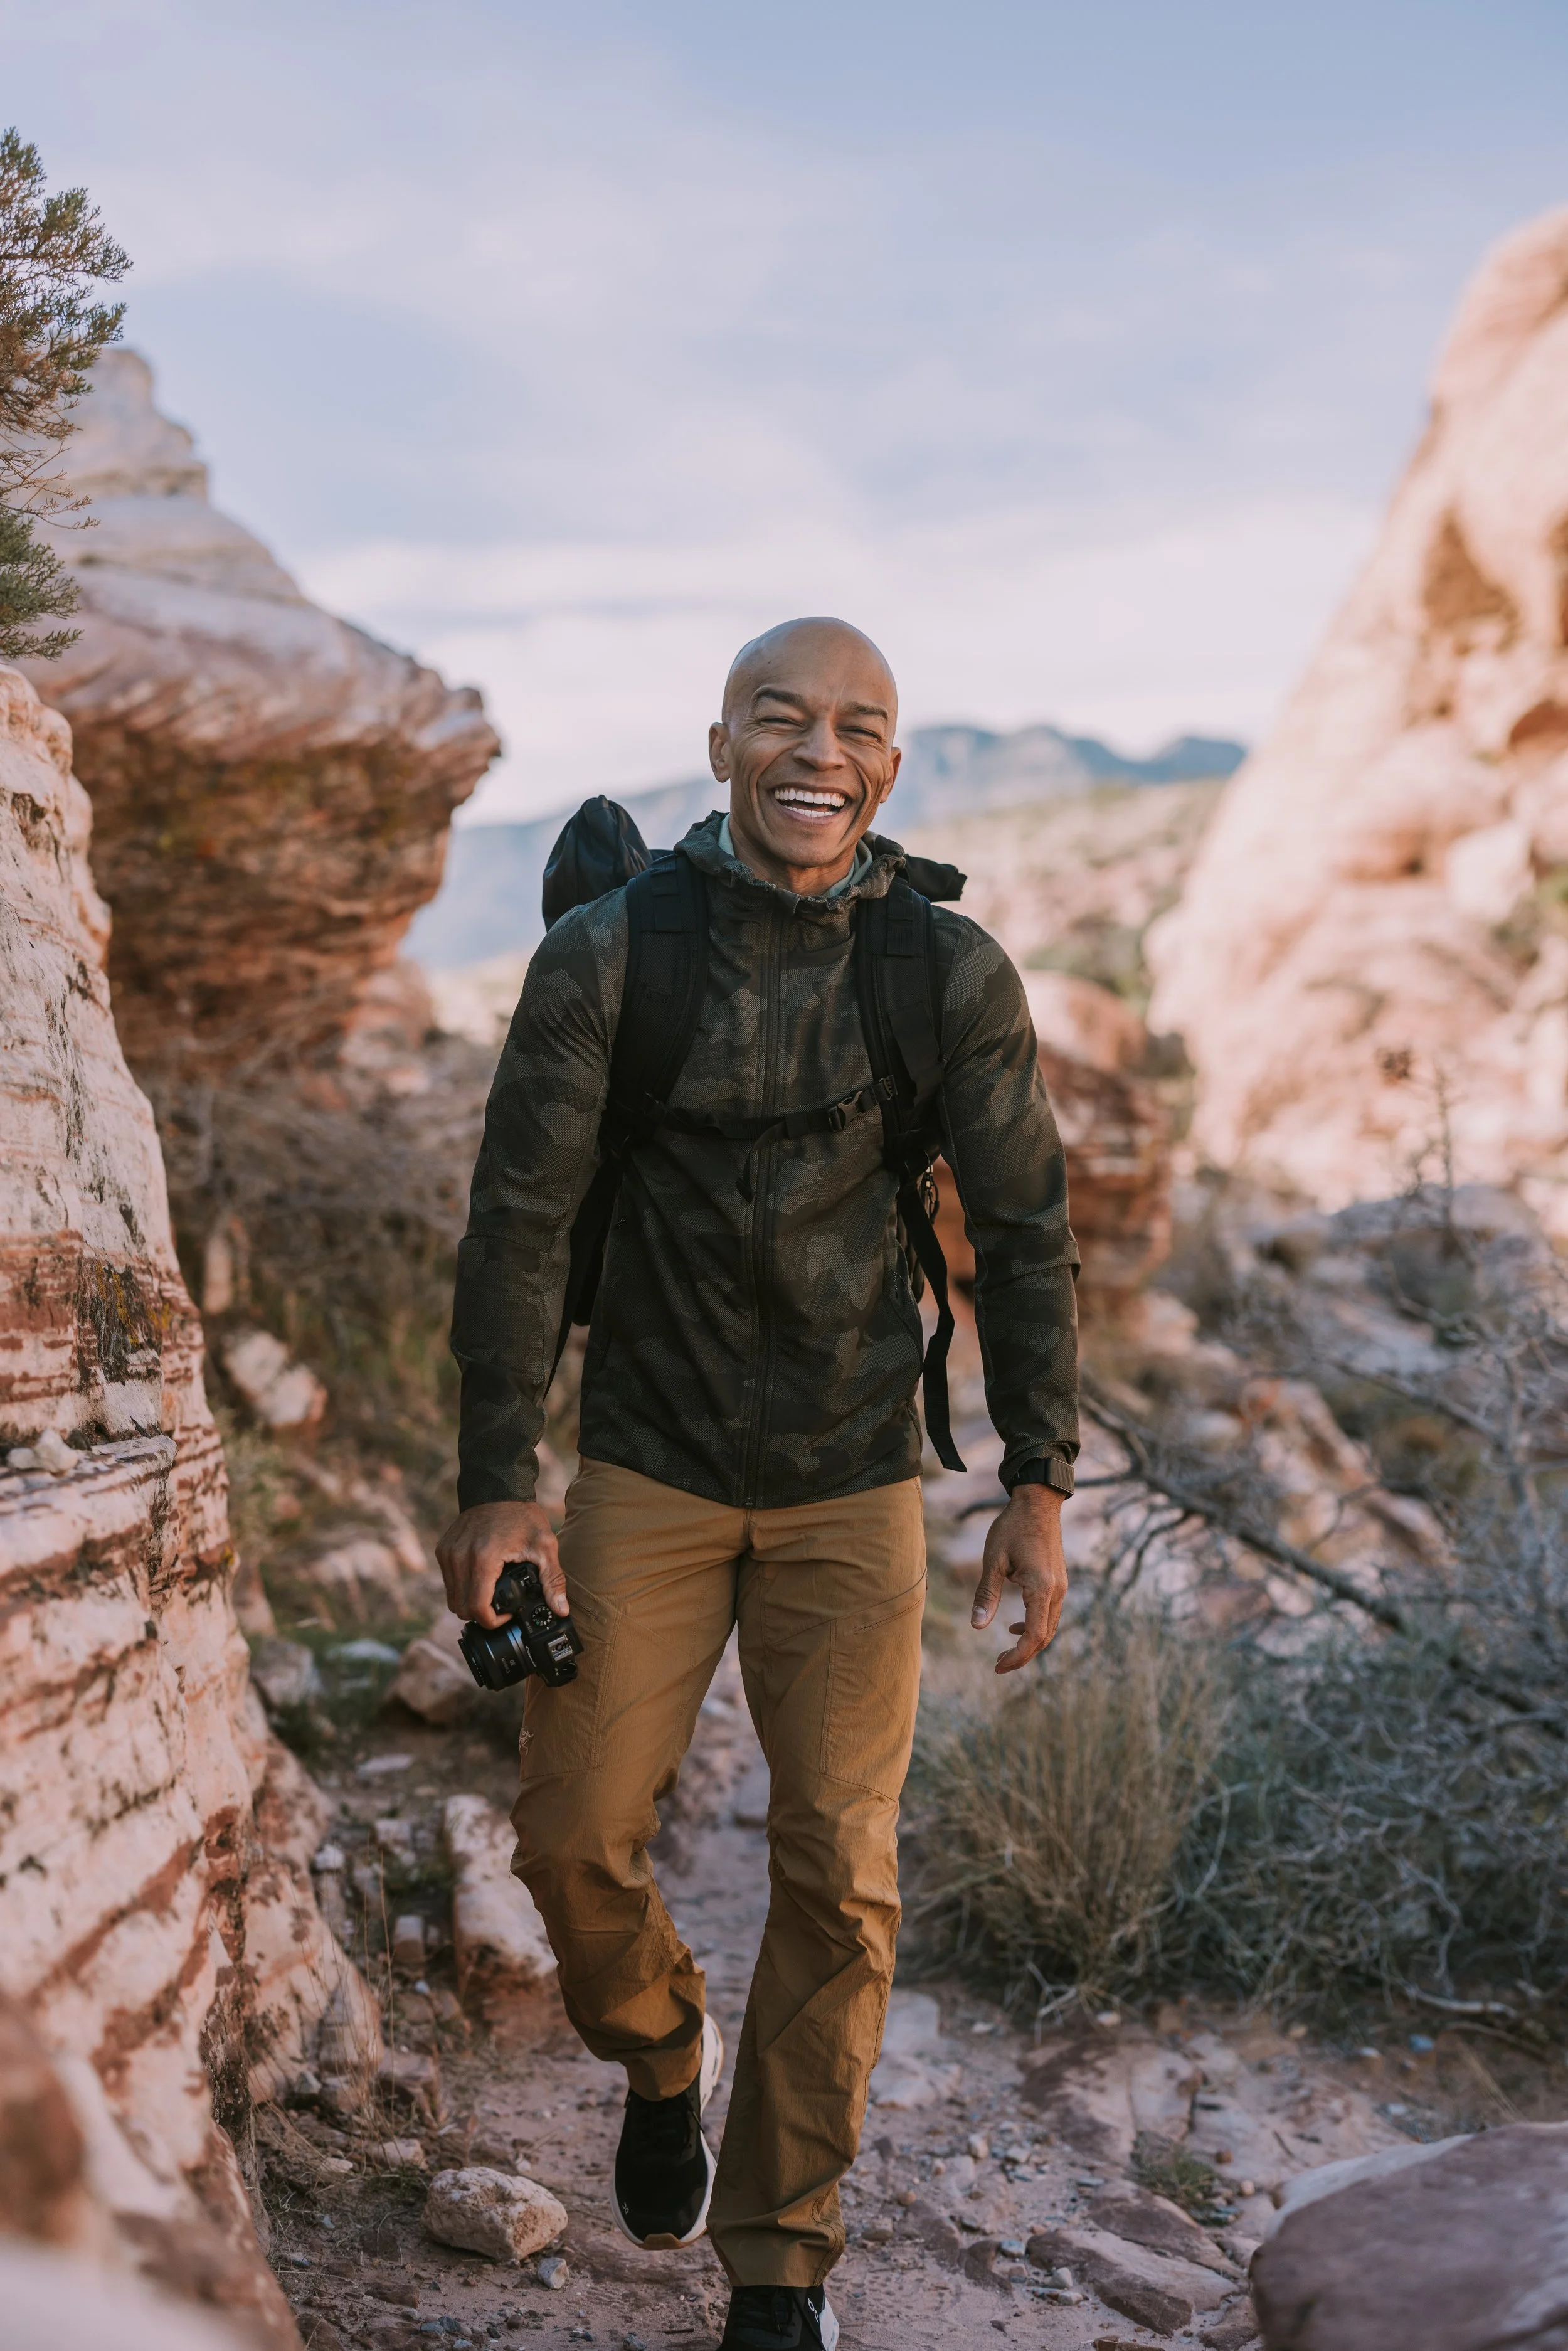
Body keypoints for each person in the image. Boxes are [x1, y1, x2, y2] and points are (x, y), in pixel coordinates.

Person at [437, 617, 1079, 2351]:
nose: (820, 749)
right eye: (782, 717)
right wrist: (501, 1480)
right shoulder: (604, 956)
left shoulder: (941, 971)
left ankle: (778, 2257)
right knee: (570, 1839)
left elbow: (1021, 1229)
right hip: (645, 1460)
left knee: (841, 1872)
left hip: (853, 1478)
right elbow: (516, 1226)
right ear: (720, 740)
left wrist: (1036, 1474)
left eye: (857, 726)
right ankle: (658, 2047)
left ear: (891, 759)